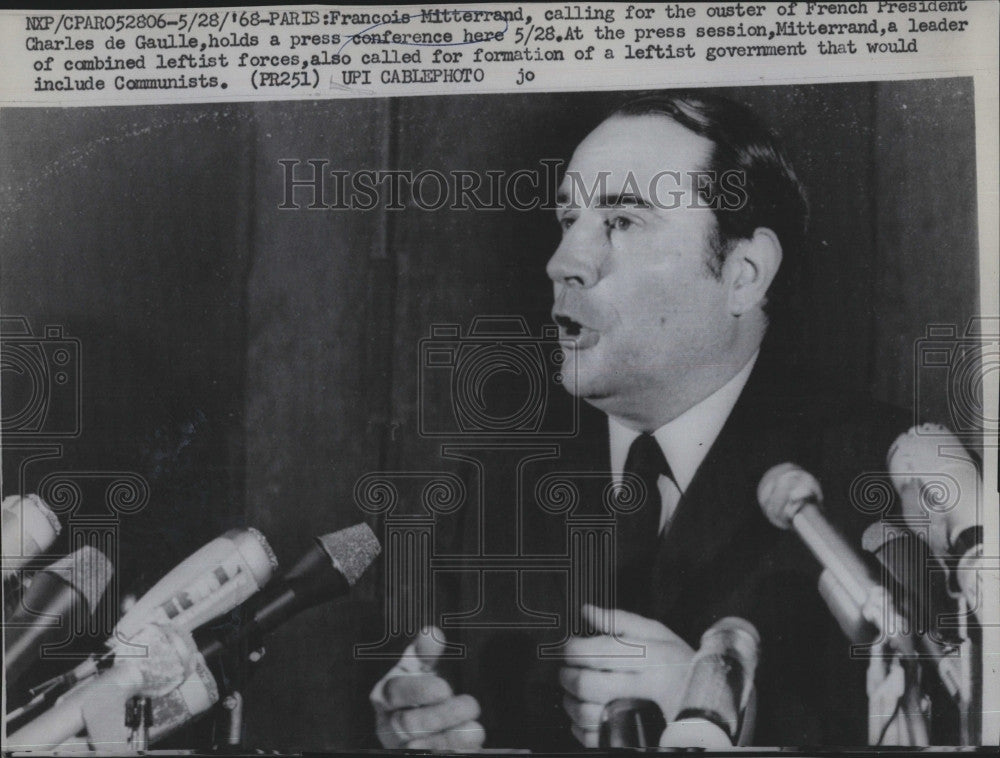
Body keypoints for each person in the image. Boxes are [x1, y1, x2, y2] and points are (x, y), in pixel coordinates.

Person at [369, 92, 907, 749]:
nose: (564, 260)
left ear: (743, 273)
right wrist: (412, 727)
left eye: (621, 220)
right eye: (569, 218)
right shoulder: (489, 497)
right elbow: (442, 707)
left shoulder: (886, 479)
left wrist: (722, 713)